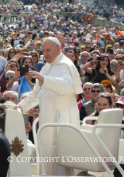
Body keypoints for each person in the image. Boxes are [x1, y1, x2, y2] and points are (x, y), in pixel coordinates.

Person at [18, 37, 83, 175]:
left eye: (48, 50)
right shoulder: (47, 67)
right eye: (43, 51)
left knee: (61, 157)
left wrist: (44, 80)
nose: (45, 54)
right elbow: (36, 94)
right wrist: (20, 107)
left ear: (58, 49)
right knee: (47, 154)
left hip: (62, 118)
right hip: (47, 118)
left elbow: (66, 86)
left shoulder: (66, 64)